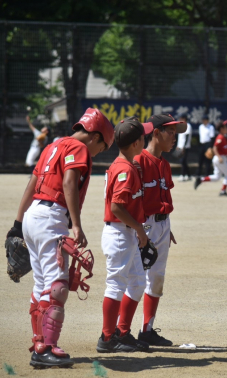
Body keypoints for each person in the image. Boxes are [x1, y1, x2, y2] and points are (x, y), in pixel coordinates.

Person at [6, 108, 113, 368]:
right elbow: (68, 183)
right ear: (96, 137)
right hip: (52, 217)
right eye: (104, 147)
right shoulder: (80, 148)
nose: (99, 153)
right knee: (57, 287)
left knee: (41, 285)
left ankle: (39, 342)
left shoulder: (53, 146)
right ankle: (47, 349)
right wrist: (76, 225)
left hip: (34, 216)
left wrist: (18, 224)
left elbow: (32, 185)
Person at [97, 116, 154, 354]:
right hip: (121, 233)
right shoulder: (125, 169)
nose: (146, 138)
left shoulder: (125, 165)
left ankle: (122, 332)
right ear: (136, 143)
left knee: (138, 282)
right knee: (115, 285)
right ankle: (107, 337)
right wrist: (140, 229)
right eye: (143, 136)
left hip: (124, 233)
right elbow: (117, 207)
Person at [134, 113, 186, 347]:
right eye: (170, 132)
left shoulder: (164, 164)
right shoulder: (138, 161)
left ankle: (147, 329)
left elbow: (163, 196)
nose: (174, 137)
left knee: (156, 279)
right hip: (143, 226)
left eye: (176, 133)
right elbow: (132, 200)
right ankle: (119, 330)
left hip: (162, 224)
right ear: (155, 133)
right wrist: (141, 229)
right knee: (133, 278)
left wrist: (165, 225)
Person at [193, 120, 227, 197]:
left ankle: (200, 180)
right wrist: (219, 157)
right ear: (221, 129)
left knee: (217, 177)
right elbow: (215, 148)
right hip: (220, 159)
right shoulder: (220, 137)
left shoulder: (223, 137)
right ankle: (223, 191)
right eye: (225, 127)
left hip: (218, 159)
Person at [175, 113, 192, 181]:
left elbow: (187, 137)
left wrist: (184, 147)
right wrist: (178, 146)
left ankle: (182, 175)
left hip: (185, 147)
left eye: (181, 118)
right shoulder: (180, 126)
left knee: (183, 161)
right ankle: (189, 175)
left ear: (184, 119)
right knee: (183, 161)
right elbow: (180, 137)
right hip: (180, 146)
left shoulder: (188, 125)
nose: (179, 119)